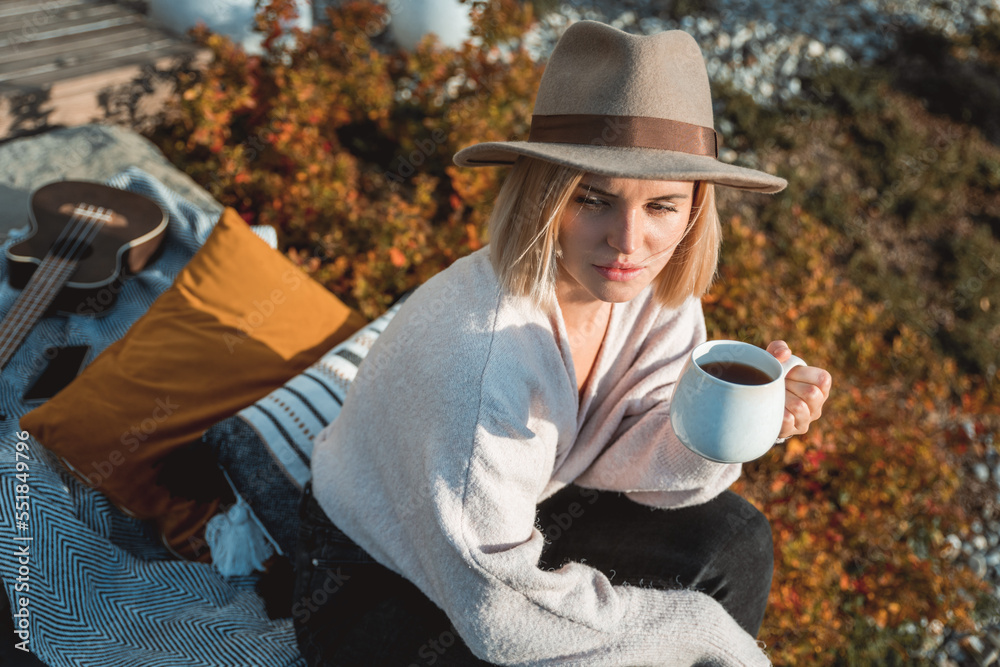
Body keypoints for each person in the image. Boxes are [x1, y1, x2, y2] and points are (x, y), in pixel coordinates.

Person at [293, 19, 832, 666]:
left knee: (735, 538)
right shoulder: (479, 358)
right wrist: (692, 630)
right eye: (594, 199)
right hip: (377, 578)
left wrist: (741, 421)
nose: (629, 243)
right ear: (544, 196)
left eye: (661, 205)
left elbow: (640, 456)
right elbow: (502, 618)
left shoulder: (657, 300)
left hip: (527, 512)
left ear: (695, 210)